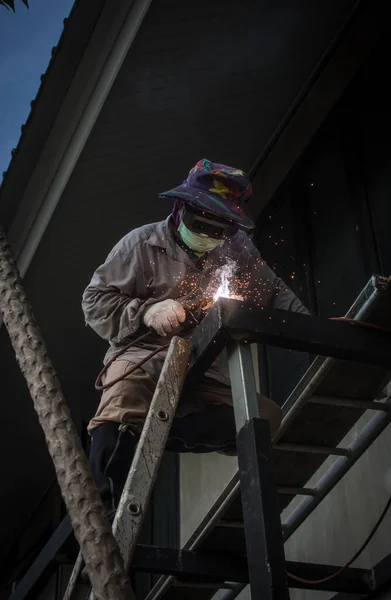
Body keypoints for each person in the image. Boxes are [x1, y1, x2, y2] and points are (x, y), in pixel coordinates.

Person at [82, 158, 309, 520]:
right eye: (201, 224)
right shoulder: (139, 245)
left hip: (203, 363)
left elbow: (274, 292)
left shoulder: (238, 250)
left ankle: (154, 435)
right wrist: (147, 312)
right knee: (122, 400)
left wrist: (313, 328)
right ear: (180, 208)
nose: (208, 235)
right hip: (144, 354)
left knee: (262, 420)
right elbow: (94, 302)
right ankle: (104, 511)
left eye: (220, 230)